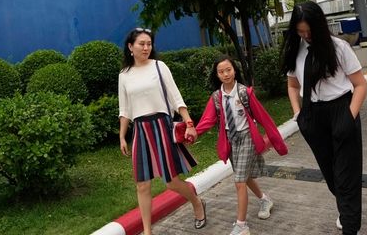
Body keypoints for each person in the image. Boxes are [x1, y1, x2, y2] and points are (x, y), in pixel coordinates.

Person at [282, 1, 367, 235]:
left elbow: (360, 85)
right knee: (331, 177)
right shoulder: (296, 51)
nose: (306, 36)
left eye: (309, 31)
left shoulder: (339, 47)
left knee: (346, 178)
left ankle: (350, 227)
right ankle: (345, 209)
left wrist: (349, 117)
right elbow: (292, 86)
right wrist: (298, 113)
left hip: (341, 109)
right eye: (300, 31)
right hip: (312, 116)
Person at [118, 27, 206, 234]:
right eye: (141, 44)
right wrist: (122, 136)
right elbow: (125, 109)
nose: (146, 47)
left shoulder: (159, 66)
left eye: (149, 44)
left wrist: (189, 123)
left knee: (172, 183)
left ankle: (196, 202)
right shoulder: (124, 75)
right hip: (140, 130)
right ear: (130, 47)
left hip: (162, 127)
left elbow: (176, 98)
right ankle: (147, 231)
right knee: (142, 184)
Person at [195, 55, 289, 235]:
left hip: (246, 137)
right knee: (244, 177)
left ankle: (241, 225)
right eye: (221, 71)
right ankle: (264, 199)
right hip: (231, 140)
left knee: (239, 181)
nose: (225, 74)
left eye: (228, 70)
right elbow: (207, 120)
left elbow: (264, 118)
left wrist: (278, 143)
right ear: (217, 75)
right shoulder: (216, 97)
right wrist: (192, 134)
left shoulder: (245, 92)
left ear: (234, 70)